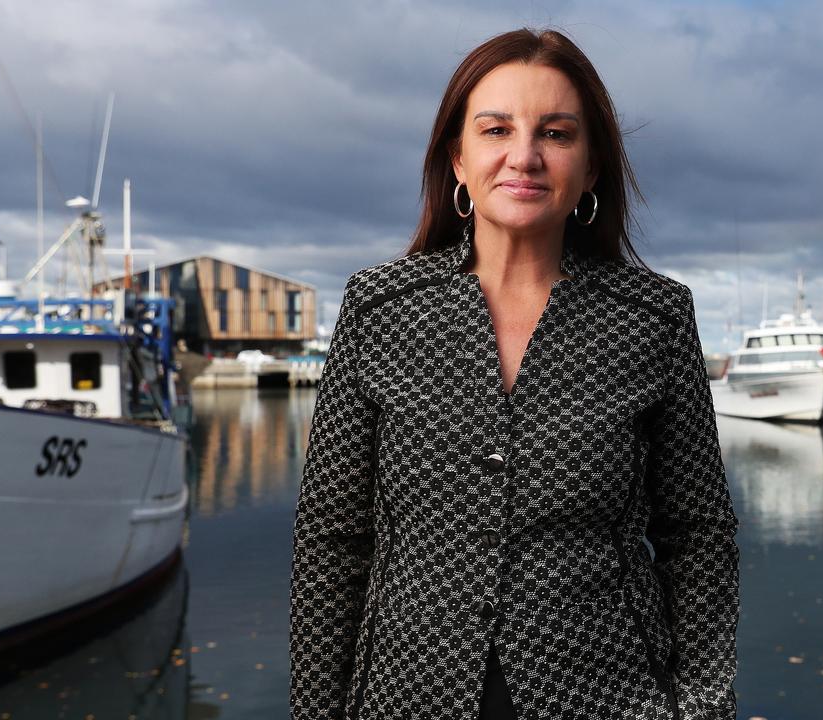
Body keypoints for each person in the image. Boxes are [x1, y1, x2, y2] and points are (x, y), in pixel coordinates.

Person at [289, 28, 738, 720]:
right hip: (406, 696)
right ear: (459, 160)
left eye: (556, 134)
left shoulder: (654, 318)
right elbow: (331, 541)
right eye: (496, 129)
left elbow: (698, 535)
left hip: (610, 695)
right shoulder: (379, 310)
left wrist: (704, 707)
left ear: (590, 169)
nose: (523, 156)